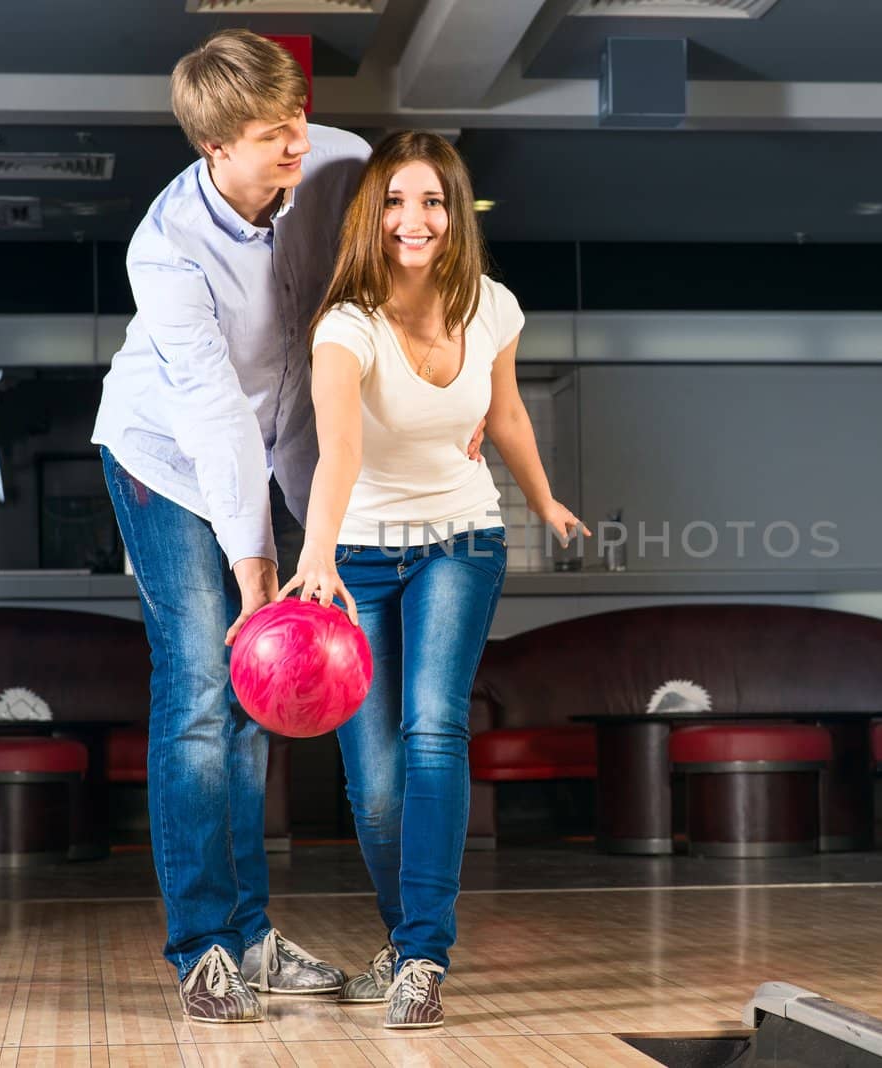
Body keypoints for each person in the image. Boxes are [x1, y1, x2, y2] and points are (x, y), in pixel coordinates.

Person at [91, 29, 372, 1024]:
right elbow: (213, 415)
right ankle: (205, 947)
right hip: (167, 460)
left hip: (282, 441)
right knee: (207, 685)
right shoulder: (166, 250)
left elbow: (397, 300)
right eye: (268, 133)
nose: (296, 141)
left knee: (262, 697)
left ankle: (252, 937)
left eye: (296, 116)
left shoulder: (342, 165)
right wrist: (258, 577)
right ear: (213, 147)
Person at [286, 130, 588, 1029]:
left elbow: (505, 414)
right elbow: (338, 450)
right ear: (371, 216)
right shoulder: (345, 326)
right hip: (359, 560)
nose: (412, 220)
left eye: (431, 202)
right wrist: (316, 553)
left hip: (462, 540)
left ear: (454, 214)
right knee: (372, 783)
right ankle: (403, 935)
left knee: (432, 731)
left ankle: (422, 958)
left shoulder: (493, 306)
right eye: (394, 202)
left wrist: (544, 499)